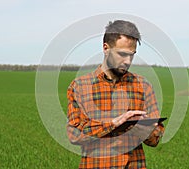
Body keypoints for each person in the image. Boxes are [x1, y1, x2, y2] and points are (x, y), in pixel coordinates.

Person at [67, 20, 165, 169]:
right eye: (122, 54)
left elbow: (155, 139)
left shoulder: (144, 86)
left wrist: (143, 130)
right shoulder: (80, 87)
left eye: (132, 55)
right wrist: (113, 124)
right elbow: (74, 135)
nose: (127, 61)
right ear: (106, 48)